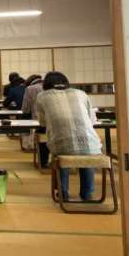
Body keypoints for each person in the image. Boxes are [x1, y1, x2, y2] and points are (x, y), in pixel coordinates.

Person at [36, 71, 102, 201]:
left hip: (61, 144)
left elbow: (42, 122)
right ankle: (87, 193)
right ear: (66, 82)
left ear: (46, 84)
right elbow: (92, 120)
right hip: (91, 144)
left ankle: (63, 192)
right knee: (87, 152)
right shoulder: (81, 93)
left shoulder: (42, 96)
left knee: (60, 151)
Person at [19, 74, 42, 152]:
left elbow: (25, 109)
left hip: (36, 118)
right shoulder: (49, 87)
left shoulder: (29, 89)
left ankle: (29, 146)